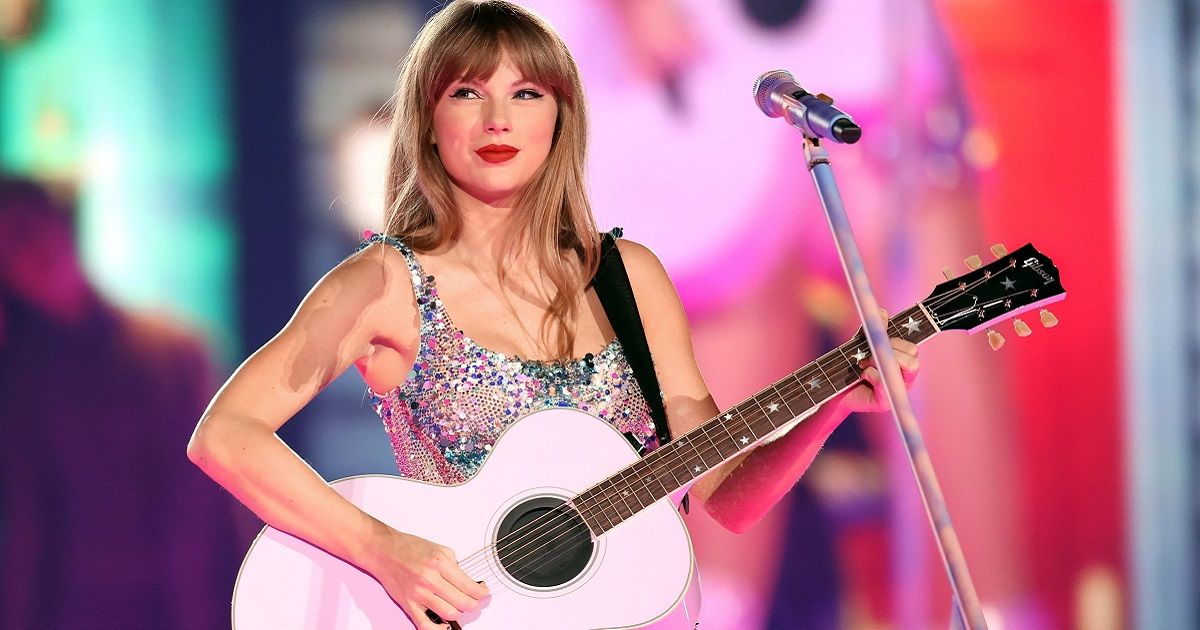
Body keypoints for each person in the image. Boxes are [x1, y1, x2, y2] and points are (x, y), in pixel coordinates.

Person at [185, 1, 919, 628]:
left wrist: (834, 402)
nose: (498, 118)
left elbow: (724, 496)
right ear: (428, 119)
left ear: (562, 119)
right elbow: (225, 436)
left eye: (528, 94)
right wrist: (385, 549)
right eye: (467, 93)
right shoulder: (386, 281)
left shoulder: (629, 279)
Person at [0, 176, 245, 628]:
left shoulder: (172, 352)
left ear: (61, 226)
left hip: (181, 603)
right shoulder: (22, 379)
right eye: (12, 245)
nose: (30, 252)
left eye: (32, 230)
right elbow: (26, 533)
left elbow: (216, 501)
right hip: (74, 609)